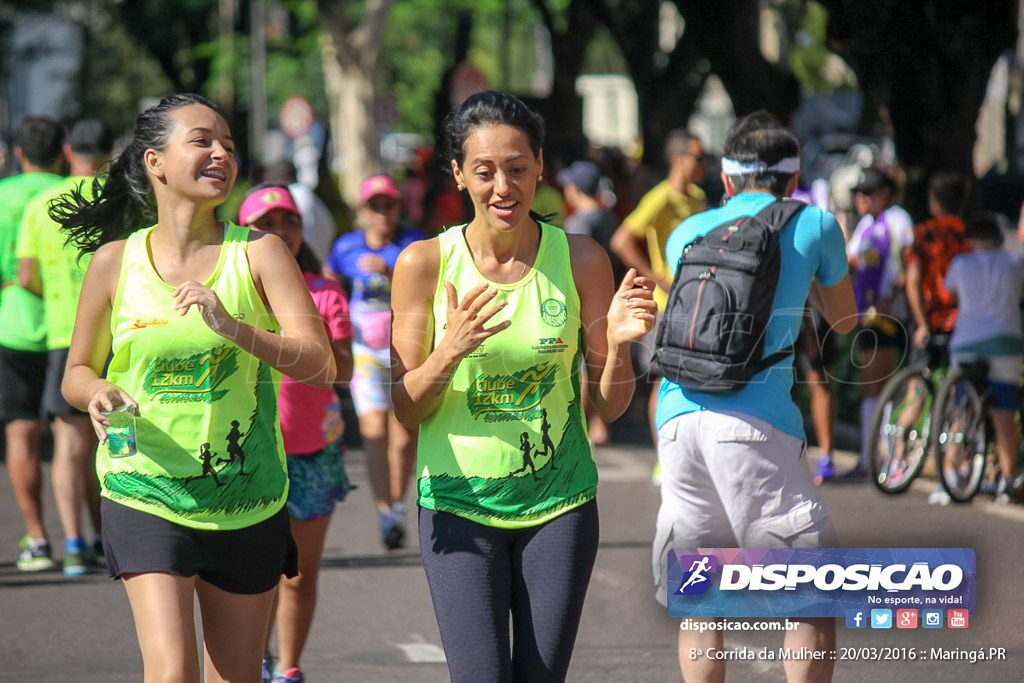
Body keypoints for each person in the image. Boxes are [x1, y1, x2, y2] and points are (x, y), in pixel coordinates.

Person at [52, 93, 335, 683]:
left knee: (236, 676)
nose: (220, 154)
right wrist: (98, 390)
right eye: (202, 141)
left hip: (247, 496)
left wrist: (236, 328)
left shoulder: (260, 252)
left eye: (228, 146)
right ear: (155, 161)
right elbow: (74, 373)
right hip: (144, 489)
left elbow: (319, 364)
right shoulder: (114, 262)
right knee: (173, 672)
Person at [390, 90, 656, 683]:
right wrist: (450, 349)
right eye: (484, 171)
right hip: (459, 507)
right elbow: (406, 408)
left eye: (516, 169)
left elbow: (610, 406)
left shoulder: (582, 259)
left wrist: (617, 344)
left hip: (559, 507)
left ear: (540, 166)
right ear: (458, 174)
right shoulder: (424, 265)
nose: (503, 187)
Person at [651, 111, 856, 683]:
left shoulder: (686, 232)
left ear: (727, 178)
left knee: (702, 589)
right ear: (793, 180)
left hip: (676, 418)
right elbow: (844, 321)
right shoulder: (815, 224)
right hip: (754, 419)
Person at [238, 185, 355, 683]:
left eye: (289, 221)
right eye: (266, 224)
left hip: (312, 453)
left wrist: (315, 336)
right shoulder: (231, 292)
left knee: (299, 575)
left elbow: (344, 371)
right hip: (248, 451)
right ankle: (255, 662)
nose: (280, 232)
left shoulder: (325, 291)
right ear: (245, 233)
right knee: (250, 574)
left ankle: (288, 669)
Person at [17, 119, 114, 574]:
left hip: (64, 337)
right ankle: (114, 539)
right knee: (118, 443)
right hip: (120, 334)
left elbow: (26, 277)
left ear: (69, 149)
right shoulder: (122, 199)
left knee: (70, 444)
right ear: (110, 152)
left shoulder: (41, 205)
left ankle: (74, 542)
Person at [325, 174, 426, 550]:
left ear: (399, 208)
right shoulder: (346, 246)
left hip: (406, 349)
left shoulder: (414, 244)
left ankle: (397, 506)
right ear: (363, 211)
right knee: (373, 429)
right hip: (365, 352)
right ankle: (386, 511)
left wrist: (391, 271)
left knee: (403, 436)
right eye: (375, 205)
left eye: (390, 205)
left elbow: (430, 281)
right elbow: (329, 282)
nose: (383, 212)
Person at [610, 130, 707, 443]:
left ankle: (683, 452)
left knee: (690, 380)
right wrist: (656, 278)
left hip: (694, 302)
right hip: (665, 306)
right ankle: (663, 457)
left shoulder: (697, 197)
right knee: (664, 381)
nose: (703, 164)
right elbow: (621, 240)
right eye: (698, 157)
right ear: (678, 160)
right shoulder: (660, 197)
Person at [818, 166, 913, 483]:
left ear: (883, 194)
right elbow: (853, 258)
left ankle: (881, 458)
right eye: (858, 194)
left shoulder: (897, 218)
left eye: (866, 194)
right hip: (866, 314)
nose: (860, 200)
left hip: (888, 315)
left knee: (881, 385)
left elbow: (910, 261)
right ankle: (872, 456)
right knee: (871, 387)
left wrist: (894, 291)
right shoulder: (867, 225)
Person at [0, 115, 66, 572]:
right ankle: (92, 533)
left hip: (15, 328)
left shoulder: (3, 196)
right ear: (62, 152)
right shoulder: (72, 195)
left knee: (21, 432)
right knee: (75, 434)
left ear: (19, 154)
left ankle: (39, 539)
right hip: (71, 326)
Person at [944, 213, 1024, 505]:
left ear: (970, 241)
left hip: (967, 342)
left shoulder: (961, 264)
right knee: (1004, 412)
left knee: (960, 407)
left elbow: (949, 293)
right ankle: (1007, 479)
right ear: (1001, 239)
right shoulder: (1015, 264)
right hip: (1006, 343)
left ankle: (952, 475)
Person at [904, 172, 970, 505]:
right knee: (958, 397)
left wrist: (919, 322)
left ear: (933, 201)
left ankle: (898, 457)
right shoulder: (969, 236)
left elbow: (912, 281)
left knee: (918, 388)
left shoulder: (924, 234)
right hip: (962, 322)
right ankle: (951, 470)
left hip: (929, 320)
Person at [559, 159, 624, 446]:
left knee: (585, 367)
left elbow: (574, 266)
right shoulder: (608, 216)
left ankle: (581, 425)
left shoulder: (579, 222)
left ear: (574, 189)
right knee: (601, 360)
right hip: (610, 295)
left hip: (584, 298)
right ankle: (601, 425)